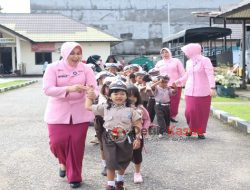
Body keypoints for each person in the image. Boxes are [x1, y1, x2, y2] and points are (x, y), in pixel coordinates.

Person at [43, 42, 98, 189]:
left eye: (78, 53)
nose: (76, 56)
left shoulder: (86, 69)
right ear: (64, 53)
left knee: (77, 145)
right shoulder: (53, 67)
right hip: (57, 112)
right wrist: (69, 88)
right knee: (56, 143)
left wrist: (92, 93)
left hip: (81, 113)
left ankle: (74, 177)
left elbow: (95, 88)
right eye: (72, 53)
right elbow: (47, 89)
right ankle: (62, 162)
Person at [85, 80, 142, 190]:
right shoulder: (105, 107)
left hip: (126, 139)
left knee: (123, 161)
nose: (119, 96)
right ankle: (110, 185)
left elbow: (137, 124)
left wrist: (138, 138)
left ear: (126, 96)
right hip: (109, 138)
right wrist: (89, 94)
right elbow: (88, 107)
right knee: (110, 162)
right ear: (110, 96)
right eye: (115, 93)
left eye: (122, 93)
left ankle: (119, 181)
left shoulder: (131, 110)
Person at [174, 43, 216, 139]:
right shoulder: (189, 62)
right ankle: (191, 128)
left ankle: (200, 131)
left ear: (192, 51)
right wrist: (179, 81)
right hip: (189, 91)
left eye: (187, 52)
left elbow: (210, 74)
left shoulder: (205, 60)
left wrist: (212, 87)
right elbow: (187, 75)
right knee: (189, 112)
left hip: (203, 92)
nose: (185, 54)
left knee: (202, 113)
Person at [127, 85, 151, 184]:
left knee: (137, 154)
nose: (131, 98)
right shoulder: (121, 108)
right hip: (124, 133)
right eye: (129, 96)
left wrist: (144, 129)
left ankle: (137, 173)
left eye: (134, 96)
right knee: (123, 153)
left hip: (137, 133)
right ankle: (122, 170)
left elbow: (147, 119)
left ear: (138, 97)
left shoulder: (140, 108)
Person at [155, 47, 185, 123]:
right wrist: (156, 81)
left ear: (169, 52)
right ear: (161, 54)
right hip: (163, 85)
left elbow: (182, 72)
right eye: (163, 53)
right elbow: (155, 73)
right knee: (164, 100)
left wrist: (181, 82)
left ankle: (173, 116)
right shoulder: (159, 63)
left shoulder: (176, 61)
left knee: (175, 102)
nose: (165, 54)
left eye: (166, 52)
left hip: (175, 84)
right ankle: (164, 115)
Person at [151, 74, 177, 138]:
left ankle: (167, 130)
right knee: (160, 118)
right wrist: (159, 81)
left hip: (167, 105)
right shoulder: (157, 88)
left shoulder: (168, 89)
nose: (165, 84)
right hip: (158, 105)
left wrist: (175, 87)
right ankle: (161, 131)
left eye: (166, 82)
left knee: (167, 118)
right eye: (163, 82)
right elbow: (152, 87)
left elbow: (173, 93)